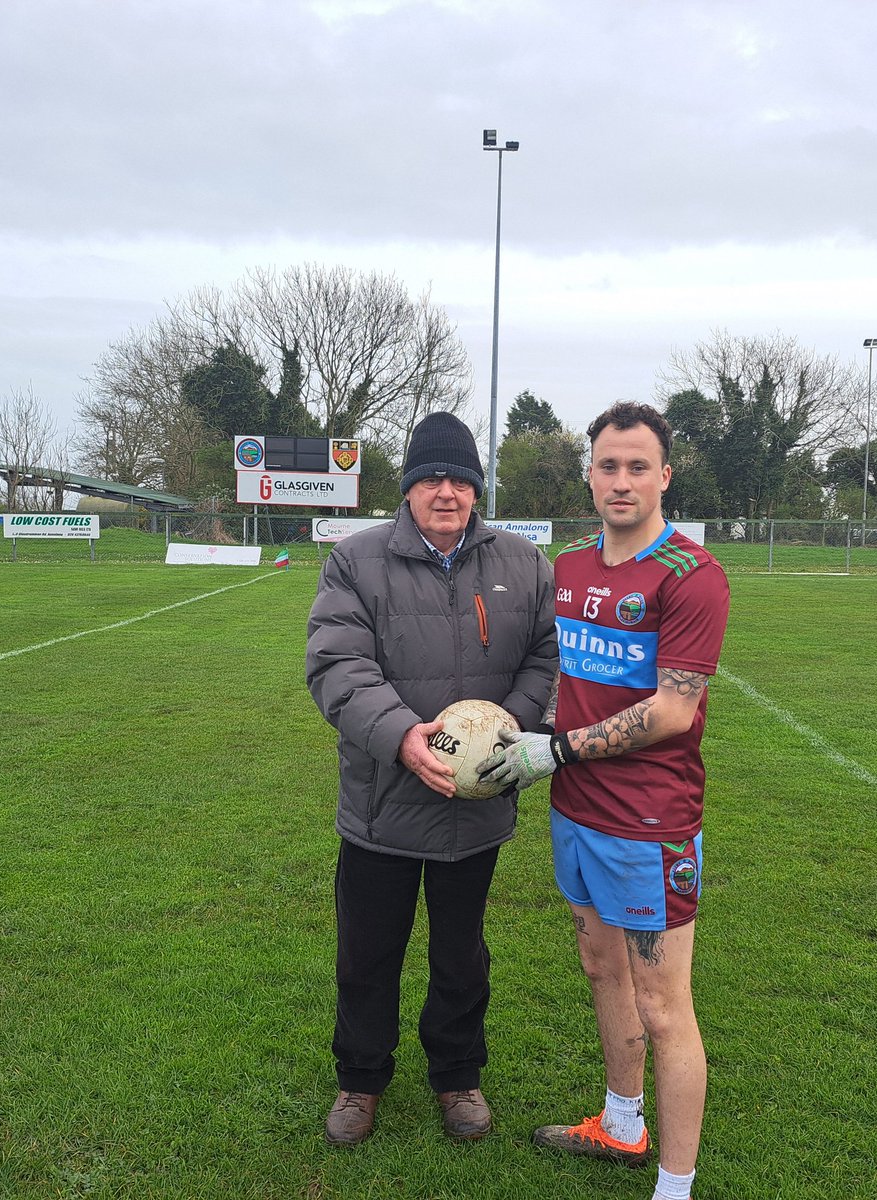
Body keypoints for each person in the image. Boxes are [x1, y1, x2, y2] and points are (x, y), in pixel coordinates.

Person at [479, 401, 730, 1200]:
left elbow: (671, 710)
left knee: (665, 1006)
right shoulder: (575, 567)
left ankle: (675, 1188)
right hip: (575, 812)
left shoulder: (693, 576)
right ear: (590, 474)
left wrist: (550, 750)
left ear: (664, 475)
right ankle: (622, 1123)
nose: (621, 480)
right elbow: (569, 681)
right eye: (607, 465)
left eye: (637, 466)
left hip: (649, 824)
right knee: (599, 967)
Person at [305, 411, 558, 1147]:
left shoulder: (522, 563)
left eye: (459, 479)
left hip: (476, 811)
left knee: (461, 955)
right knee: (368, 951)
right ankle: (360, 1081)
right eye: (430, 478)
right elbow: (338, 665)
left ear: (476, 489)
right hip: (383, 802)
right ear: (411, 487)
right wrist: (401, 736)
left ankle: (457, 1077)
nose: (446, 492)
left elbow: (545, 658)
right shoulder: (356, 561)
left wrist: (499, 735)